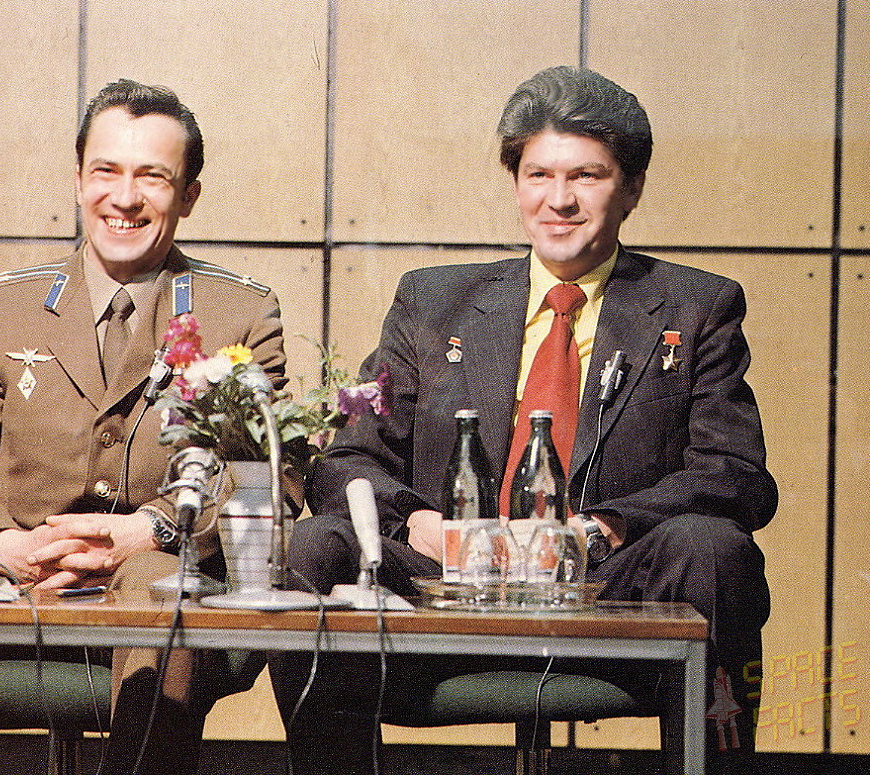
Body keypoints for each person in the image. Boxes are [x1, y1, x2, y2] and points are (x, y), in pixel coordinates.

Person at [270, 66, 774, 775]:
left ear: (631, 188)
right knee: (318, 542)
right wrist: (420, 524)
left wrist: (603, 529)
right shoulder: (433, 303)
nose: (558, 200)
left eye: (587, 176)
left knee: (714, 548)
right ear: (515, 183)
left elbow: (736, 476)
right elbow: (348, 460)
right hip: (447, 585)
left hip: (608, 587)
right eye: (539, 175)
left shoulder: (696, 308)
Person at [0, 80, 287, 775]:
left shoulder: (239, 314)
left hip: (153, 559)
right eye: (106, 171)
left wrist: (150, 530)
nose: (125, 197)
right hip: (4, 562)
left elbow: (266, 475)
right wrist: (5, 543)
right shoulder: (2, 307)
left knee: (161, 587)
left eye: (152, 176)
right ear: (79, 181)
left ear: (188, 195)